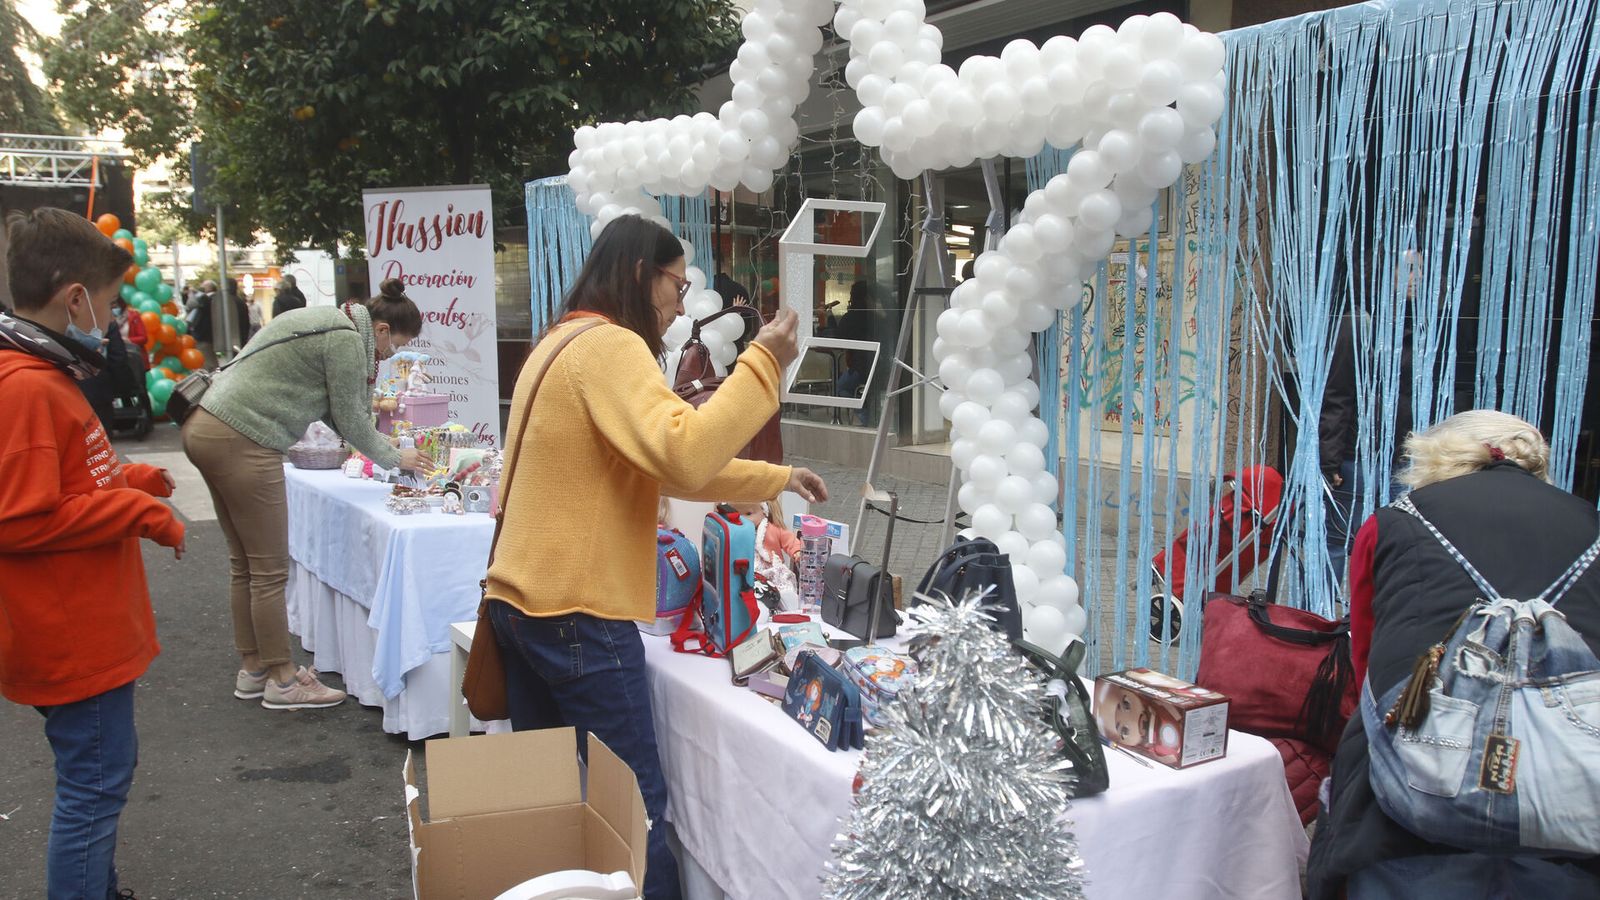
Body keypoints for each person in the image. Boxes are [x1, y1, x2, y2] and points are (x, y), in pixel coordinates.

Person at [484, 215, 828, 900]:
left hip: (521, 604)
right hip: (576, 611)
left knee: (559, 807)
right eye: (677, 281)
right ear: (643, 273)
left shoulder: (564, 341)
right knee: (634, 812)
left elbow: (665, 470)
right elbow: (683, 452)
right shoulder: (609, 347)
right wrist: (763, 361)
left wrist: (774, 479)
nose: (679, 300)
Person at [1307, 410, 1600, 899]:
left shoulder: (1394, 521)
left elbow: (1368, 659)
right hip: (1566, 792)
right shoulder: (1592, 523)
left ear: (1434, 457)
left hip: (1414, 797)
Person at [0, 207, 186, 899]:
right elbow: (18, 521)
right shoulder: (26, 386)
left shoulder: (39, 377)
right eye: (108, 304)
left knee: (98, 777)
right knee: (95, 787)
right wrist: (135, 509)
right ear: (75, 297)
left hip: (81, 630)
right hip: (73, 637)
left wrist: (132, 479)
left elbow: (68, 478)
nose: (111, 320)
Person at [181, 277, 434, 711]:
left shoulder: (327, 320)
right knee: (268, 570)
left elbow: (337, 416)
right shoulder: (345, 341)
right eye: (393, 348)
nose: (389, 358)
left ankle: (254, 668)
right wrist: (398, 458)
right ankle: (282, 679)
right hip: (244, 438)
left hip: (205, 424)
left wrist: (382, 449)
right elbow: (352, 421)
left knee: (245, 565)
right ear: (381, 330)